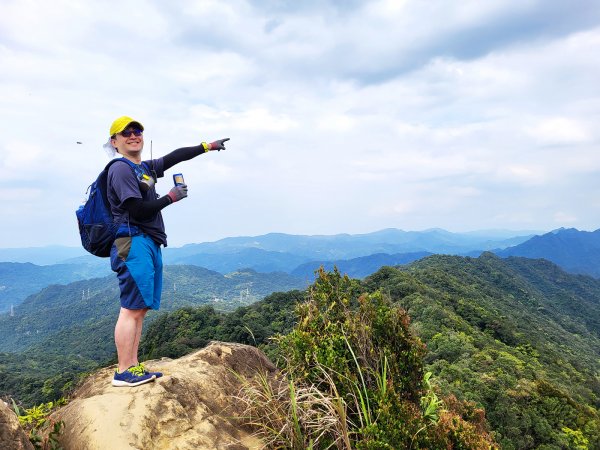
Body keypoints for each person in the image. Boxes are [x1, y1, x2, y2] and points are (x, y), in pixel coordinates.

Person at [104, 116, 229, 387]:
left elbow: (175, 156)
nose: (133, 135)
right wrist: (170, 197)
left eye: (137, 131)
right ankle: (123, 371)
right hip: (132, 241)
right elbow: (136, 209)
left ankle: (133, 366)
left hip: (146, 241)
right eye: (125, 133)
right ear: (115, 142)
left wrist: (206, 147)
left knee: (140, 308)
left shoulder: (142, 167)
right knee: (130, 309)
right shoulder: (121, 169)